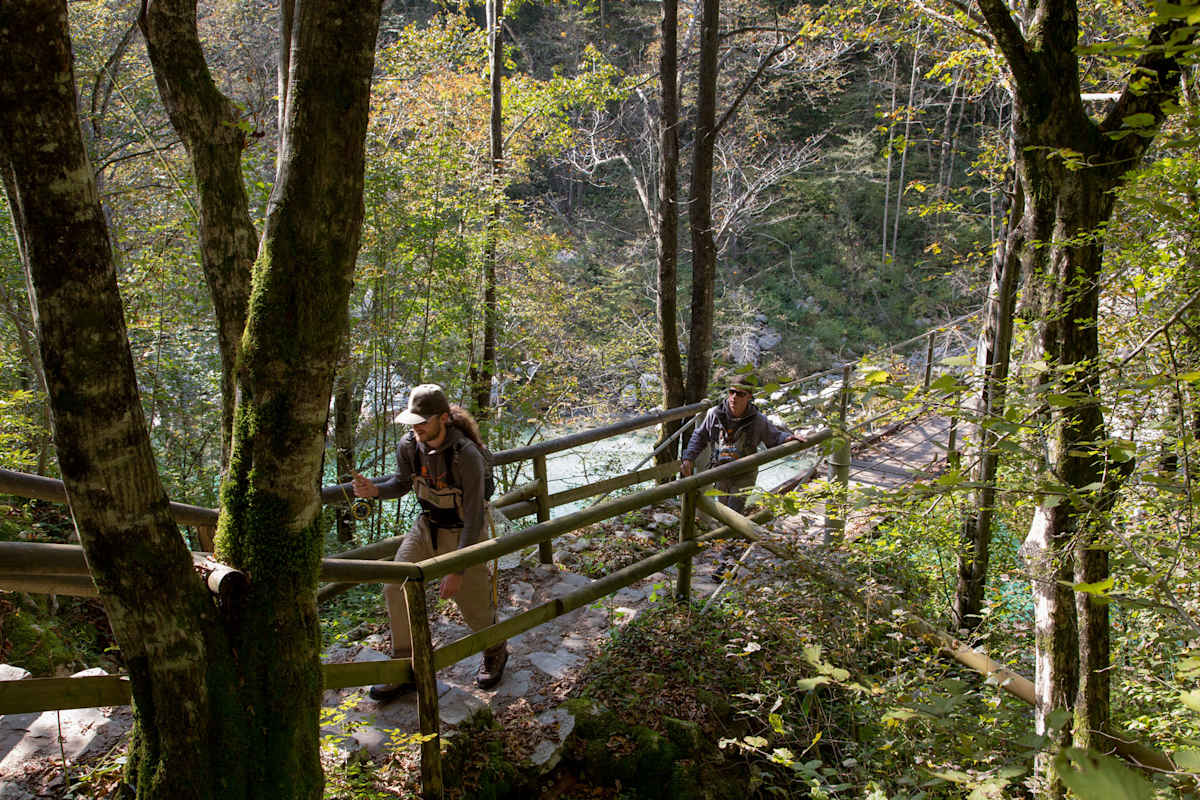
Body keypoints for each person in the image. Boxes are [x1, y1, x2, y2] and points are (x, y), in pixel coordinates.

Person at [352, 384, 507, 700]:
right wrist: (375, 491)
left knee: (473, 604)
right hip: (426, 526)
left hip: (466, 531)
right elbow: (401, 483)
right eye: (412, 421)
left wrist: (457, 569)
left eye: (422, 421)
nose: (416, 427)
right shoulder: (409, 446)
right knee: (395, 582)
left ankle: (495, 650)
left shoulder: (466, 456)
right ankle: (405, 665)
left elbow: (476, 514)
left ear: (444, 418)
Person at [680, 377, 800, 514]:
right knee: (723, 511)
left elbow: (775, 436)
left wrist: (789, 438)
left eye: (740, 394)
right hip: (721, 471)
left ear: (749, 396)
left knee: (734, 511)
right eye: (732, 392)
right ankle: (727, 535)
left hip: (745, 474)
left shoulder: (758, 420)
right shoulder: (714, 414)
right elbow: (700, 436)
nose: (734, 397)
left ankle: (728, 534)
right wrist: (688, 457)